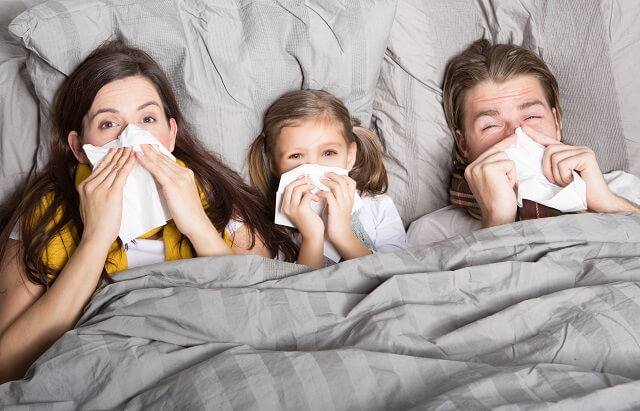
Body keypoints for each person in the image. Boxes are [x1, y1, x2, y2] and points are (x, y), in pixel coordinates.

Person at [0, 39, 297, 383]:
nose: (132, 139)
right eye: (109, 125)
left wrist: (197, 226)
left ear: (170, 136)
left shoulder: (220, 203)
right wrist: (96, 239)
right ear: (80, 149)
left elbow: (263, 320)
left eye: (147, 119)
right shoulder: (45, 215)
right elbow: (7, 365)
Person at [407, 39, 640, 246]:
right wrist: (497, 220)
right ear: (463, 144)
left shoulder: (625, 191)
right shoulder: (434, 233)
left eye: (531, 117)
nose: (517, 135)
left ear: (556, 122)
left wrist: (609, 205)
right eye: (490, 125)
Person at [248, 90, 406, 268]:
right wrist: (312, 237)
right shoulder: (273, 229)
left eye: (328, 153)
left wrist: (342, 234)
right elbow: (301, 292)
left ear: (349, 157)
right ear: (274, 165)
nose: (314, 167)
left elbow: (395, 277)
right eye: (296, 156)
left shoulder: (378, 208)